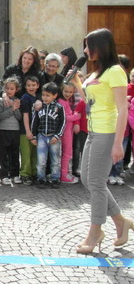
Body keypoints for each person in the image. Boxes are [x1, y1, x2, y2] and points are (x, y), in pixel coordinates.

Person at [70, 28, 131, 254]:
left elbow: (122, 109)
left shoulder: (115, 71)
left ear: (101, 47)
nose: (85, 51)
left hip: (107, 133)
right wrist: (78, 83)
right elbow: (92, 102)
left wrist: (117, 143)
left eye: (89, 46)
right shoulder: (97, 74)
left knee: (95, 182)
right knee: (87, 179)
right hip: (93, 132)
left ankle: (96, 231)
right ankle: (119, 220)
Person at [30, 82, 65, 188]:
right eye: (43, 95)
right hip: (41, 136)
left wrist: (57, 135)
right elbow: (34, 121)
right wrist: (34, 136)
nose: (45, 98)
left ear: (55, 95)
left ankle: (55, 178)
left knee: (55, 159)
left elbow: (62, 122)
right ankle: (41, 178)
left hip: (54, 137)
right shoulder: (39, 106)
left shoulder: (59, 107)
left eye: (48, 95)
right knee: (41, 160)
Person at [0, 77, 22, 185]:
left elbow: (19, 117)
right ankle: (3, 174)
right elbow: (0, 116)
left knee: (15, 153)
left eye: (12, 89)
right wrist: (12, 109)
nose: (9, 91)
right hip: (3, 130)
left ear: (16, 90)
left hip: (15, 130)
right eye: (7, 88)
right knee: (3, 154)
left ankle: (15, 174)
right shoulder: (1, 101)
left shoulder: (17, 101)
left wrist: (15, 108)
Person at [19, 75, 40, 185]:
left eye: (33, 85)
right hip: (25, 131)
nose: (31, 87)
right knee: (26, 153)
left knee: (35, 153)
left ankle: (34, 173)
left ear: (38, 86)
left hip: (36, 131)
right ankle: (25, 174)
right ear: (25, 86)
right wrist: (28, 130)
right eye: (28, 85)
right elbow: (25, 115)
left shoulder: (39, 97)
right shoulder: (25, 98)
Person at [57, 82, 80, 184]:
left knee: (67, 152)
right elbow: (64, 117)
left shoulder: (65, 101)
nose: (68, 93)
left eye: (70, 92)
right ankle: (63, 175)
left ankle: (65, 173)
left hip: (68, 129)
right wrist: (76, 116)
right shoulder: (61, 101)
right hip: (65, 130)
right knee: (67, 152)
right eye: (66, 91)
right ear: (61, 90)